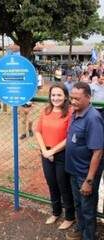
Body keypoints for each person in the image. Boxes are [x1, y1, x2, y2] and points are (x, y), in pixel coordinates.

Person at [65, 82, 104, 240]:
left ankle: (89, 236)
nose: (73, 101)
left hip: (85, 174)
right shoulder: (76, 112)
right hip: (74, 170)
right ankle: (81, 231)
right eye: (71, 98)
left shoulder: (93, 118)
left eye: (77, 99)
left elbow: (98, 151)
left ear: (88, 97)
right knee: (78, 204)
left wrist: (89, 181)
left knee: (87, 208)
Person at [35, 83, 75, 230]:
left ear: (65, 96)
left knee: (63, 186)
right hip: (46, 153)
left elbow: (69, 137)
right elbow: (38, 131)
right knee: (52, 184)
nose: (56, 98)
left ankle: (70, 216)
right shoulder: (46, 110)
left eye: (59, 95)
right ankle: (56, 212)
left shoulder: (70, 112)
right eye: (53, 95)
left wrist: (52, 152)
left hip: (61, 155)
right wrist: (45, 150)